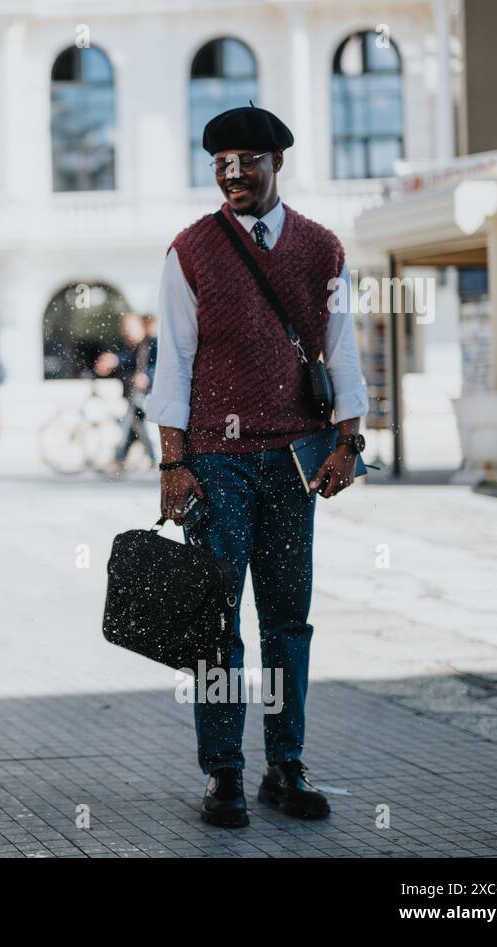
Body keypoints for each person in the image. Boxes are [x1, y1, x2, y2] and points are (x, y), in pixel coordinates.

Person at [146, 105, 369, 829]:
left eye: (248, 162)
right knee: (216, 624)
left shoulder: (322, 248)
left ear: (278, 164)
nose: (234, 175)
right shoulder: (191, 250)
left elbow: (342, 348)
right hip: (214, 462)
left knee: (287, 622)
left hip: (294, 460)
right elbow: (173, 361)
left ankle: (285, 764)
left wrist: (349, 442)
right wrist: (172, 461)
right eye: (221, 165)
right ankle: (223, 773)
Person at [94, 312, 160, 471]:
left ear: (141, 327)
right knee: (135, 424)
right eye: (125, 328)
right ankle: (137, 459)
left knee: (130, 421)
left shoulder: (151, 345)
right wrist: (113, 361)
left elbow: (160, 367)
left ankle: (123, 459)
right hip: (135, 395)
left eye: (131, 327)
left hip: (146, 396)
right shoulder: (134, 347)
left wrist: (147, 377)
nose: (127, 331)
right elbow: (126, 359)